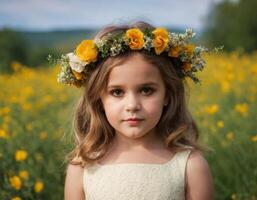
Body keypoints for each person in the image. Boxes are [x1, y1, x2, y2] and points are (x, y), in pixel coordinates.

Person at [60, 21, 214, 200]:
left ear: (167, 95)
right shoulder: (82, 167)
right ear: (99, 99)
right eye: (117, 92)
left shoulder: (191, 166)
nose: (132, 105)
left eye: (146, 90)